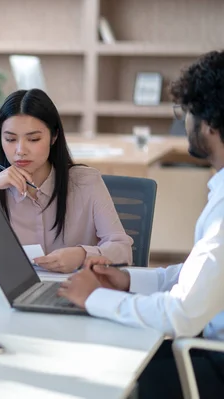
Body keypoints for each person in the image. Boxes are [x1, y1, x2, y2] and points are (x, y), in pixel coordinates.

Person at [58, 50, 224, 398]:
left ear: (209, 122)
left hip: (211, 361)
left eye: (186, 113)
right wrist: (128, 279)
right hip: (206, 339)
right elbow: (200, 275)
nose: (185, 123)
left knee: (103, 357)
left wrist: (95, 298)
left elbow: (181, 314)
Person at [0, 89, 133, 273]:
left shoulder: (86, 182)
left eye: (33, 139)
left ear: (54, 136)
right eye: (10, 139)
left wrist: (82, 254)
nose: (20, 150)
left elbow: (123, 250)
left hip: (77, 291)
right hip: (16, 297)